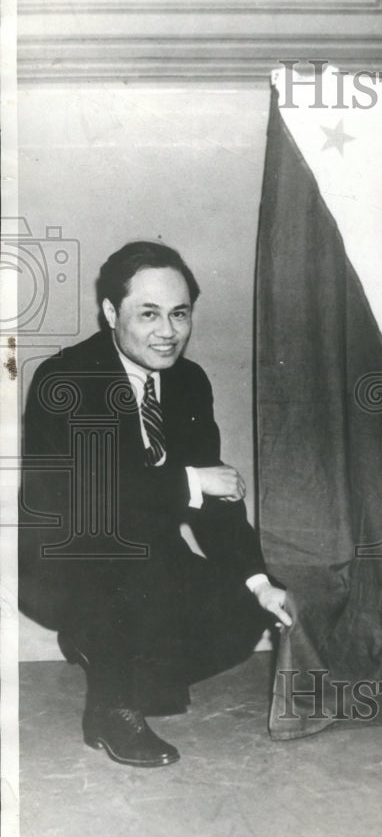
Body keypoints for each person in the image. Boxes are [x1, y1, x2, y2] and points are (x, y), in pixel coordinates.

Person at [19, 241, 292, 767]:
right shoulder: (66, 380)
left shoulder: (188, 382)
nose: (168, 331)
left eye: (179, 313)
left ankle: (112, 658)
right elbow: (92, 498)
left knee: (239, 610)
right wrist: (191, 480)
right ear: (109, 314)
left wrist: (259, 582)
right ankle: (112, 709)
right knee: (123, 572)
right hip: (67, 559)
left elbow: (217, 497)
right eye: (148, 314)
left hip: (146, 556)